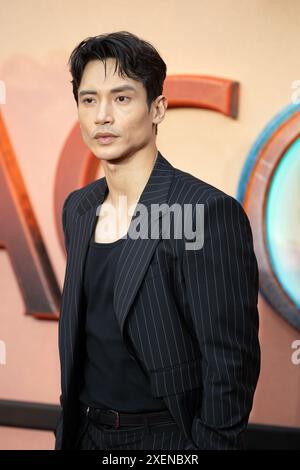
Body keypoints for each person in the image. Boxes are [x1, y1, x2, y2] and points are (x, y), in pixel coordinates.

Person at [54, 31, 260, 450]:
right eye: (89, 99)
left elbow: (230, 365)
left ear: (158, 108)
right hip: (84, 433)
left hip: (165, 439)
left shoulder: (203, 211)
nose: (102, 116)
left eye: (123, 98)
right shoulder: (79, 208)